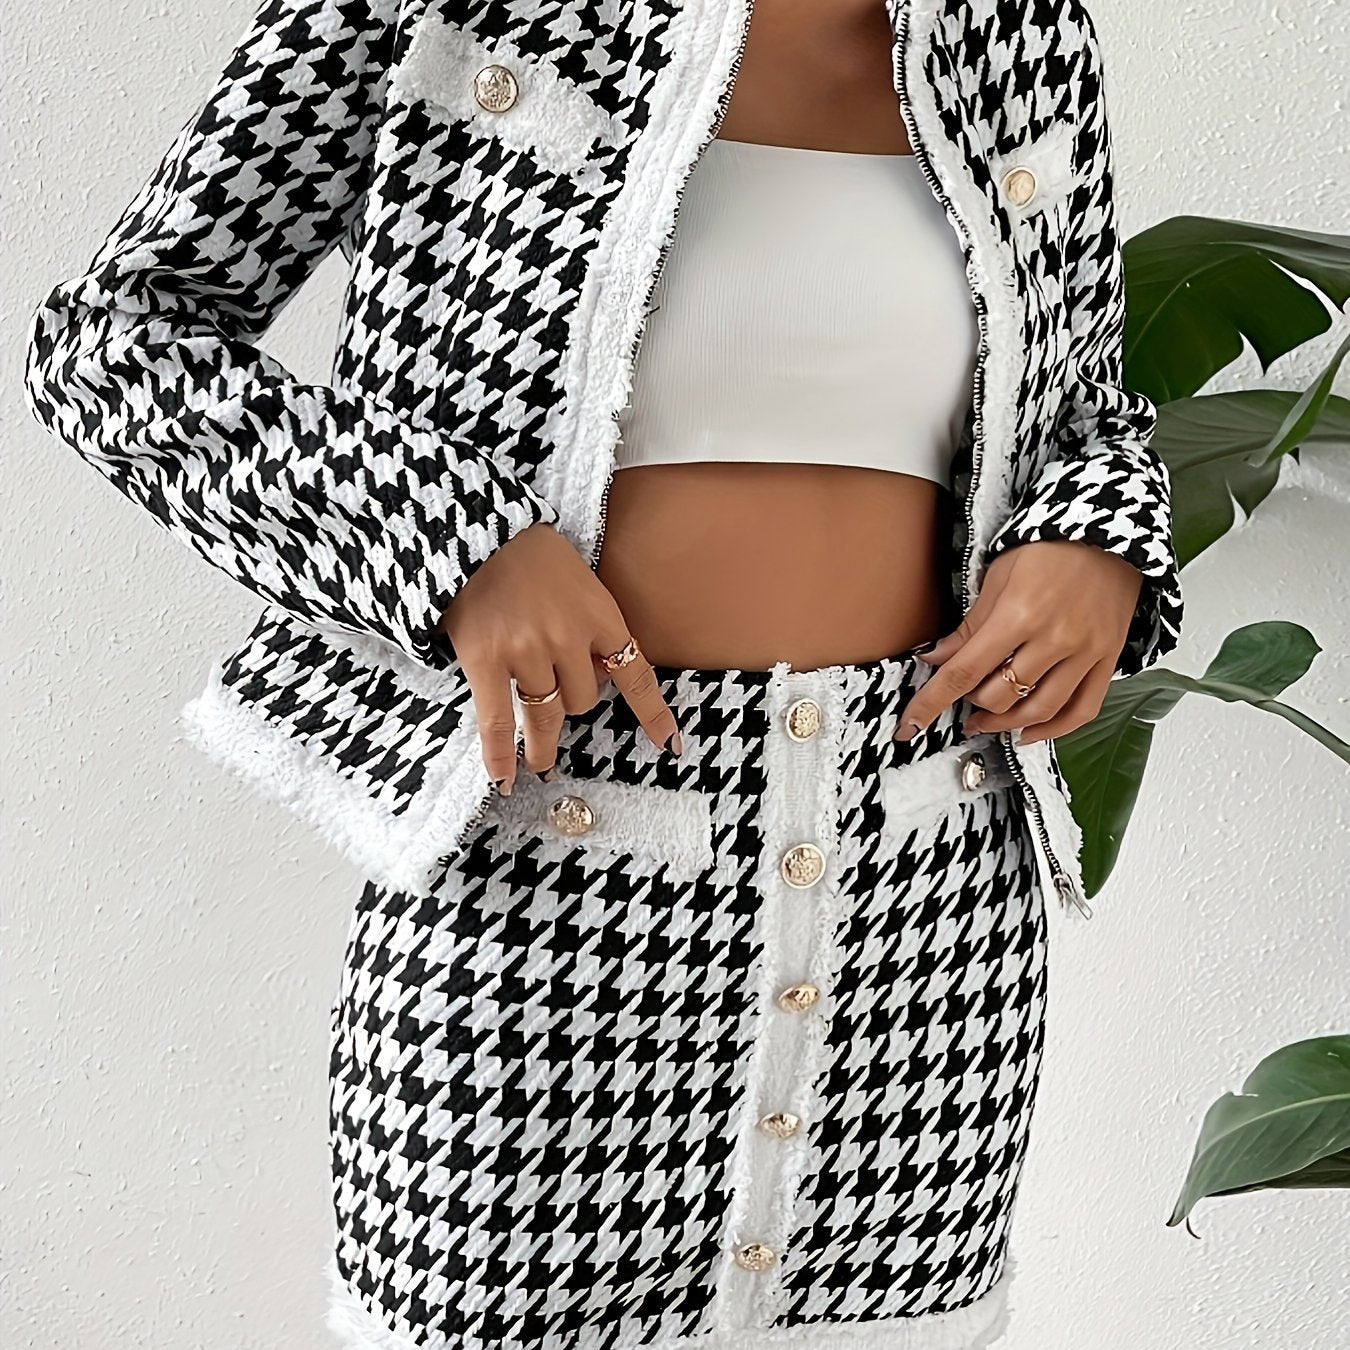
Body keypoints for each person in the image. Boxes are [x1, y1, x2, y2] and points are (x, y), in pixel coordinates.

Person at [24, 0, 1182, 1347]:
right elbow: (114, 340)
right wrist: (448, 545)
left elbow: (1084, 404)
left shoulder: (1019, 34)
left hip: (923, 931)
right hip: (531, 905)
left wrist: (1098, 534)